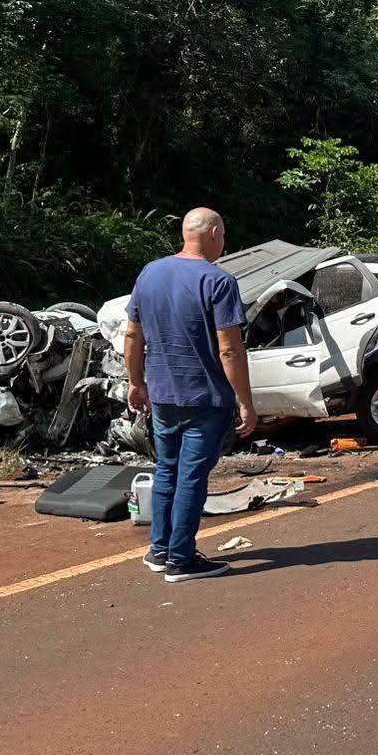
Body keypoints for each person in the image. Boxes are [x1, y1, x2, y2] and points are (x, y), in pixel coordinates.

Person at [124, 207, 256, 583]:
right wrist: (245, 401)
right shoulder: (219, 281)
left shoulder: (150, 273)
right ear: (214, 233)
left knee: (168, 469)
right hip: (206, 398)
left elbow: (133, 335)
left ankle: (160, 549)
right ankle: (181, 560)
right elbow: (229, 349)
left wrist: (136, 382)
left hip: (163, 395)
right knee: (192, 477)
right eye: (224, 235)